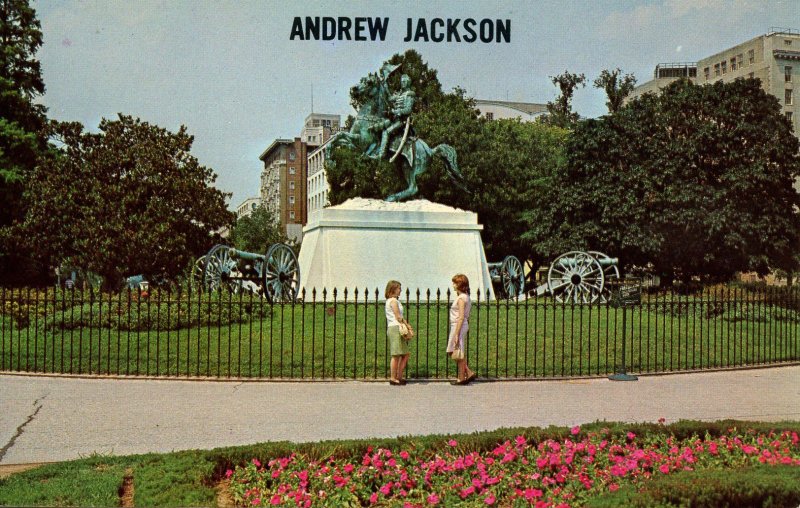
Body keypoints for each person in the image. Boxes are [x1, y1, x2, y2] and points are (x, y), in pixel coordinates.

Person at [447, 273, 476, 385]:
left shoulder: (461, 298)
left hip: (458, 325)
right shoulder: (466, 297)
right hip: (461, 325)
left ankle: (461, 378)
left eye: (455, 283)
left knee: (456, 351)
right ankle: (468, 372)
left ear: (459, 284)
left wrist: (457, 334)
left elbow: (461, 317)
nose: (453, 285)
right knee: (454, 350)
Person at [385, 280, 412, 385]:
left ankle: (399, 376)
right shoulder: (393, 301)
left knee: (405, 354)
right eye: (399, 288)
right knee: (396, 355)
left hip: (396, 327)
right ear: (393, 289)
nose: (400, 290)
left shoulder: (393, 301)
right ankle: (393, 378)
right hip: (395, 328)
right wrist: (407, 325)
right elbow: (398, 316)